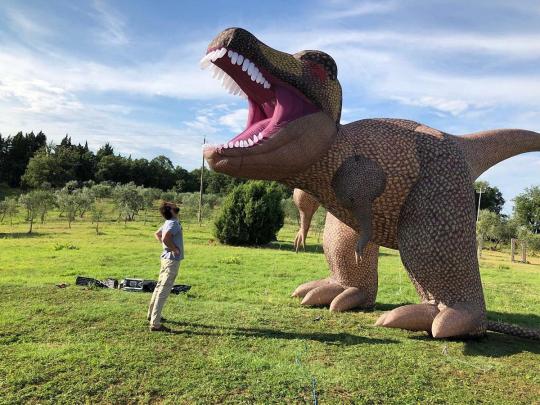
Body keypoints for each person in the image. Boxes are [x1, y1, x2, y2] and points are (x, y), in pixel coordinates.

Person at [147, 201, 184, 332]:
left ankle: (151, 315)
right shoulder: (173, 223)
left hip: (165, 259)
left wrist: (167, 248)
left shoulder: (168, 222)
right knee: (164, 290)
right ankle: (155, 324)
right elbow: (165, 238)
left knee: (159, 287)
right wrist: (174, 249)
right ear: (170, 210)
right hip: (171, 261)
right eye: (172, 205)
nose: (175, 204)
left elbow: (157, 234)